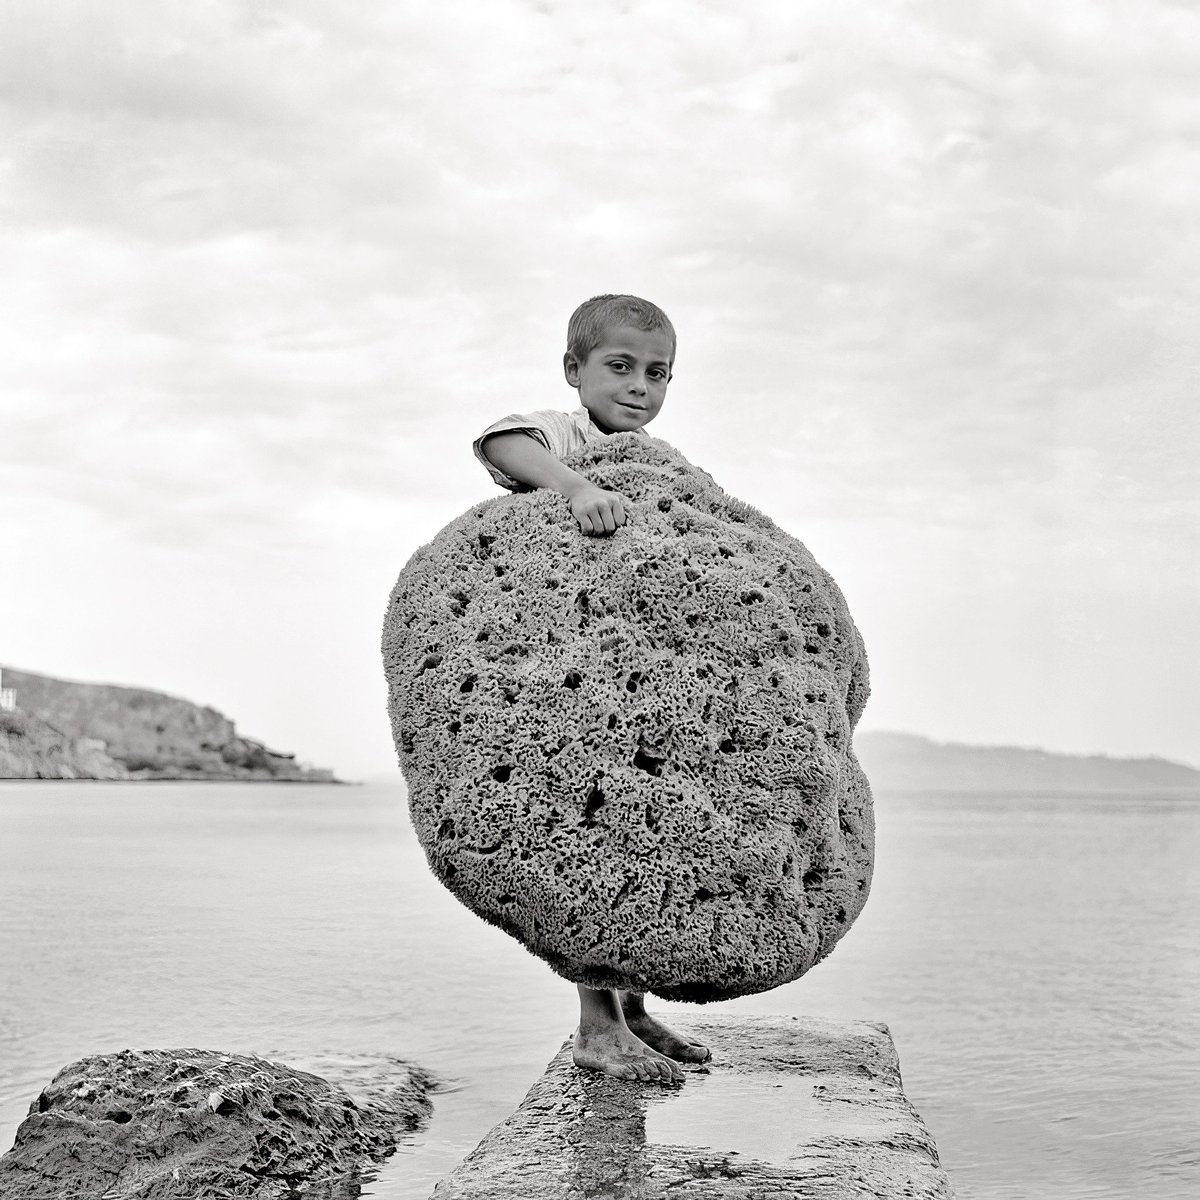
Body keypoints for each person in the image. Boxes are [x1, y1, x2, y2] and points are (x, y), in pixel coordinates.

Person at [473, 294, 711, 1084]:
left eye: (659, 373)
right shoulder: (565, 436)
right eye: (620, 366)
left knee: (645, 849)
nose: (640, 386)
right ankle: (595, 1028)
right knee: (596, 844)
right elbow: (502, 444)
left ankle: (634, 1012)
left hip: (635, 679)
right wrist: (575, 488)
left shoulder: (654, 457)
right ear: (574, 370)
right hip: (564, 681)